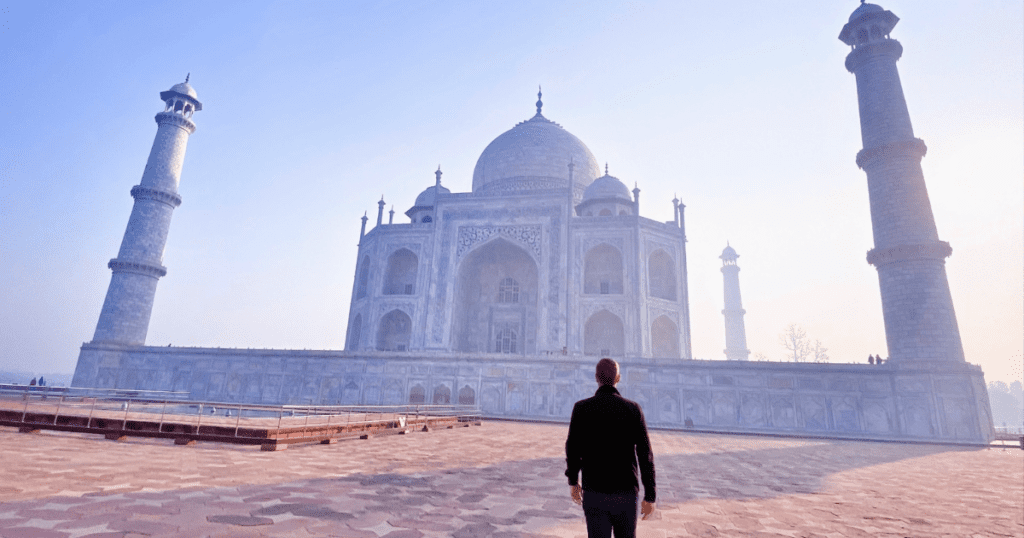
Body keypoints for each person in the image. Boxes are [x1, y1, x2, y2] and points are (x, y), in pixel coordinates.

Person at [565, 358, 656, 538]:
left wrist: (573, 481)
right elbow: (645, 454)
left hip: (594, 491)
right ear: (618, 378)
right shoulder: (632, 409)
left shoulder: (582, 408)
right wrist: (650, 495)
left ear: (596, 378)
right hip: (626, 492)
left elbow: (573, 449)